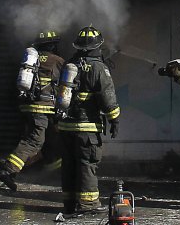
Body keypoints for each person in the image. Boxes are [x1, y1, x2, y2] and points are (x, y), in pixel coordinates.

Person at [56, 25, 120, 216]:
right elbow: (107, 97)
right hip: (87, 127)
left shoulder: (70, 65)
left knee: (69, 164)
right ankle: (88, 204)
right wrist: (114, 120)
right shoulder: (99, 68)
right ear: (97, 46)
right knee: (87, 164)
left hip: (66, 127)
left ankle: (69, 203)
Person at [0, 29, 65, 191]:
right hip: (43, 107)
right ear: (52, 45)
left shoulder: (31, 60)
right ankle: (8, 170)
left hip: (29, 105)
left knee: (52, 136)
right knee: (34, 140)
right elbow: (66, 85)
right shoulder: (57, 61)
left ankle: (52, 171)